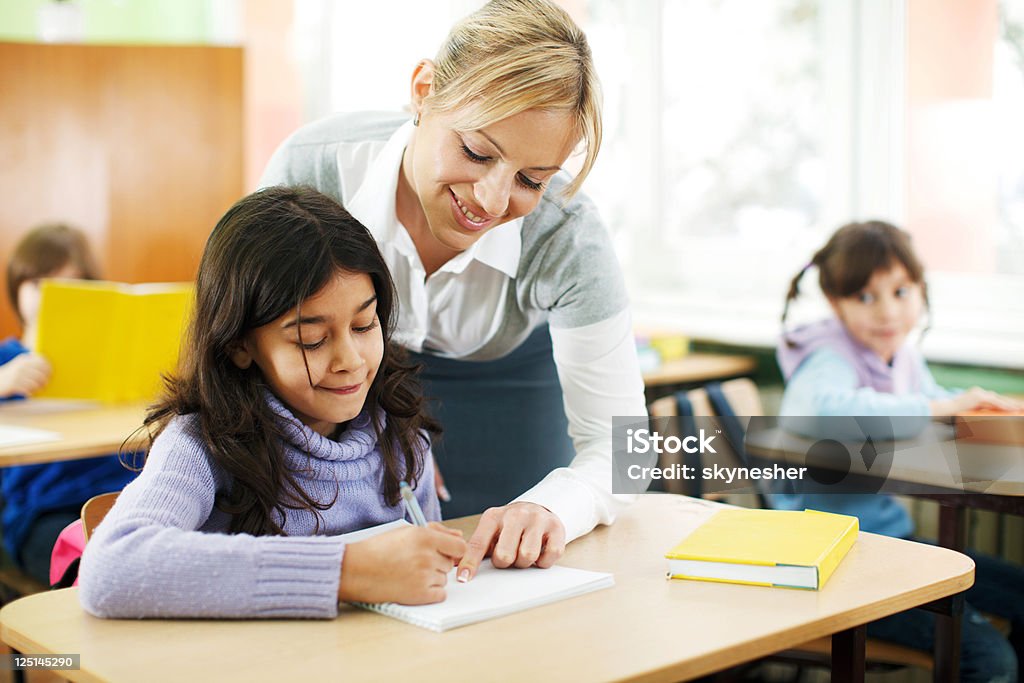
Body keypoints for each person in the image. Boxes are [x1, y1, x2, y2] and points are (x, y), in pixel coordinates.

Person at [259, 0, 646, 583]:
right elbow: (247, 347)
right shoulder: (313, 174)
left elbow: (626, 449)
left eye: (530, 180)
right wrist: (381, 429)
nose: (490, 200)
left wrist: (552, 507)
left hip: (510, 386)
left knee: (505, 586)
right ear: (423, 90)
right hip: (344, 401)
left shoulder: (567, 237)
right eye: (476, 151)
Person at [79, 187, 467, 618]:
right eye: (311, 339)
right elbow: (112, 568)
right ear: (240, 345)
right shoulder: (204, 446)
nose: (351, 362)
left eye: (364, 324)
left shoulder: (400, 435)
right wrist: (346, 572)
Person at [774, 220, 1023, 681]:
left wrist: (975, 405)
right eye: (865, 297)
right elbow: (816, 412)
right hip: (834, 558)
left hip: (891, 542)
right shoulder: (827, 355)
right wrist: (942, 405)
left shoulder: (899, 352)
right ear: (835, 303)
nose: (887, 312)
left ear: (920, 291)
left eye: (901, 292)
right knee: (987, 657)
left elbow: (925, 400)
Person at [1, 224, 137, 586]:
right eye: (37, 283)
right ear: (17, 287)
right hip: (43, 512)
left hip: (123, 497)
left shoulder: (113, 361)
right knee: (100, 572)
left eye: (67, 284)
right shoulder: (6, 360)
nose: (50, 296)